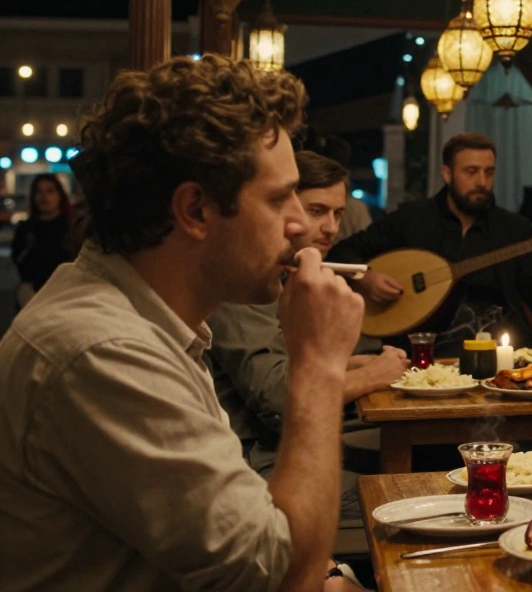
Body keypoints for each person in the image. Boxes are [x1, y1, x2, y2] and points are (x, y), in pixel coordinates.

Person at [0, 55, 365, 591]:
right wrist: (318, 366)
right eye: (277, 197)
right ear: (195, 210)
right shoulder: (102, 352)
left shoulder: (154, 324)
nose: (298, 225)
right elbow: (285, 576)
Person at [206, 151, 410, 493]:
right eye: (317, 211)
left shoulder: (288, 273)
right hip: (253, 461)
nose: (331, 228)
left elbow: (292, 364)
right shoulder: (247, 279)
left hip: (282, 444)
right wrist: (373, 375)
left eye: (338, 214)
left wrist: (353, 363)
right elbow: (276, 398)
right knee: (404, 487)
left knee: (430, 461)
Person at [328, 132, 532, 358]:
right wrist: (366, 277)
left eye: (489, 172)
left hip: (501, 356)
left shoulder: (514, 228)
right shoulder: (412, 218)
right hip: (421, 354)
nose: (482, 181)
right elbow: (343, 251)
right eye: (471, 171)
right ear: (446, 173)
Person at [11, 173, 78, 306]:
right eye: (39, 192)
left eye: (49, 191)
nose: (44, 197)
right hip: (33, 291)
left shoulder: (71, 226)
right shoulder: (27, 228)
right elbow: (18, 258)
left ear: (59, 195)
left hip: (66, 290)